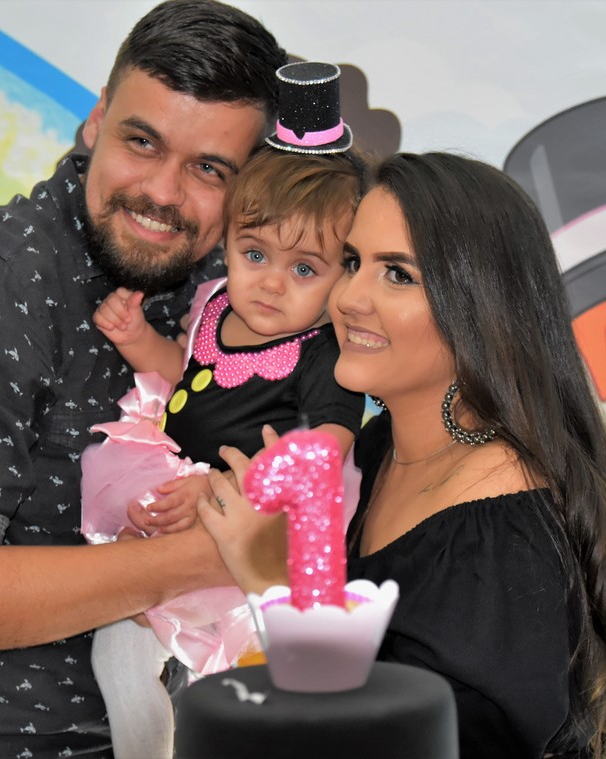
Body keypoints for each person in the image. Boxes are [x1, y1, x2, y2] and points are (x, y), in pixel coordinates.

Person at [0, 1, 287, 756]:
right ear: (96, 119)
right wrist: (222, 554)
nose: (162, 192)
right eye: (142, 141)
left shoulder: (241, 282)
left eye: (209, 169)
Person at [201, 152, 606, 758]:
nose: (349, 297)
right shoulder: (377, 449)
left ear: (479, 309)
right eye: (351, 262)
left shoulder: (503, 530)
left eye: (397, 274)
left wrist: (277, 582)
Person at [87, 61, 368, 758]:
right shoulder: (216, 305)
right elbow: (181, 373)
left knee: (229, 685)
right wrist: (136, 338)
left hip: (251, 534)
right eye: (254, 254)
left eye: (304, 269)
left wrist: (224, 489)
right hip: (174, 503)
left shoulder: (322, 352)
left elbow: (325, 452)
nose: (270, 283)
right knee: (117, 659)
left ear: (344, 276)